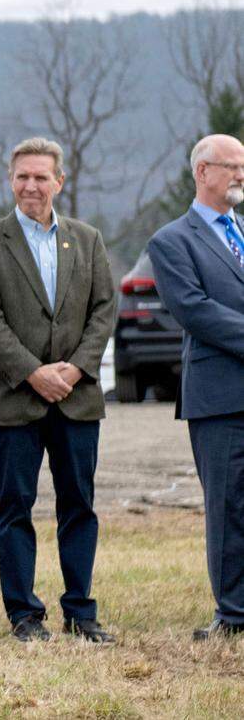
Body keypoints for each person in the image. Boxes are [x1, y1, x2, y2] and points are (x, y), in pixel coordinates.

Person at [0, 137, 116, 643]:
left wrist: (73, 369)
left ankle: (81, 611)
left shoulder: (87, 239)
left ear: (59, 181)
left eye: (41, 177)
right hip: (14, 400)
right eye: (23, 176)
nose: (32, 185)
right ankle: (24, 615)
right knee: (15, 509)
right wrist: (34, 372)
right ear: (11, 180)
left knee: (80, 506)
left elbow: (103, 310)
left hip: (78, 399)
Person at [148, 133, 244, 641]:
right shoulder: (172, 240)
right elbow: (196, 311)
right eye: (229, 166)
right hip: (220, 395)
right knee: (228, 508)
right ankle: (233, 615)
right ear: (202, 172)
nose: (239, 175)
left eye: (242, 167)